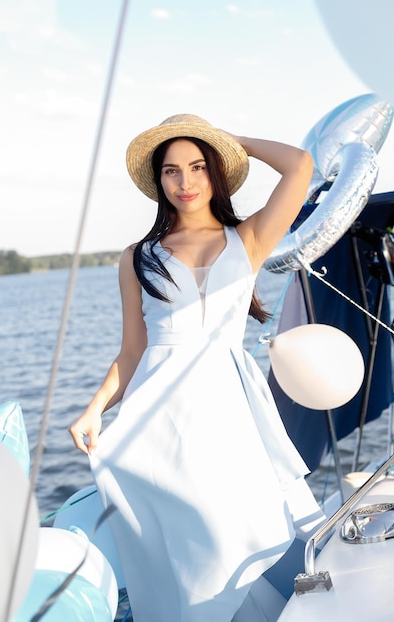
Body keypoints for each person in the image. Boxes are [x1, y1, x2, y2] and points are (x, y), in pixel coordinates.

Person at [69, 114, 325, 621]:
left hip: (230, 410)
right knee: (197, 540)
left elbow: (300, 166)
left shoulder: (248, 239)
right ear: (158, 182)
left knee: (246, 523)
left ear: (215, 173)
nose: (184, 182)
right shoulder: (138, 258)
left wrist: (231, 142)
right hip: (162, 419)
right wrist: (94, 409)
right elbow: (131, 350)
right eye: (171, 171)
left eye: (197, 167)